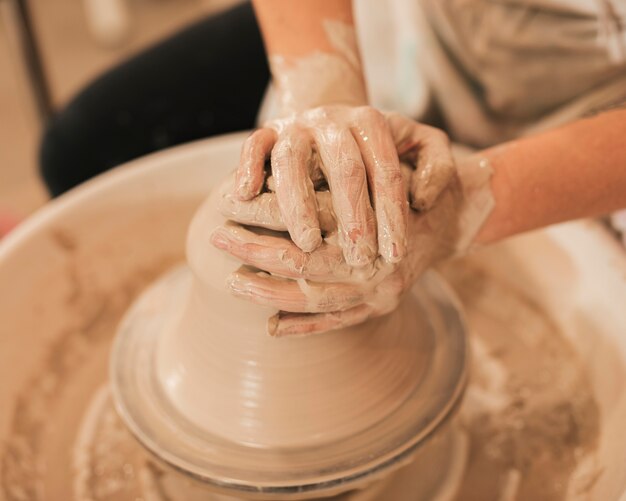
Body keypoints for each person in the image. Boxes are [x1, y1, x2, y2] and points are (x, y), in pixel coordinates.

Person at [40, 0, 626, 334]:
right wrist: (322, 91)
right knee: (82, 147)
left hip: (594, 115)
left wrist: (463, 208)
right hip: (419, 26)